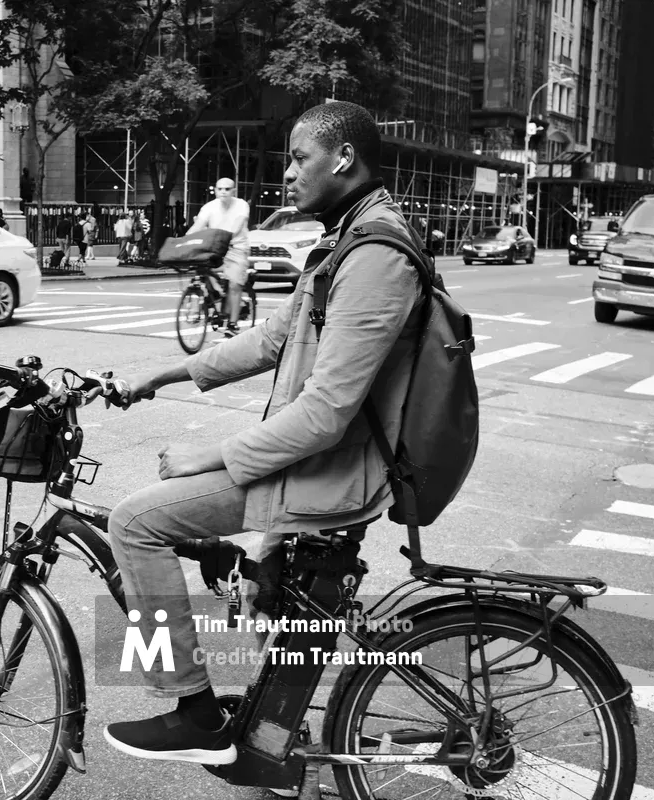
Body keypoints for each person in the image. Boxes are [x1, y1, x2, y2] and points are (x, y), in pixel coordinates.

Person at [101, 100, 425, 767]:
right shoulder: (345, 239)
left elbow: (326, 412)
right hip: (323, 462)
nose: (288, 174)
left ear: (343, 158)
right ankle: (269, 737)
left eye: (300, 157)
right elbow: (272, 340)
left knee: (136, 524)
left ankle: (193, 711)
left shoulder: (375, 254)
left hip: (332, 472)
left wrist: (207, 456)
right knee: (261, 588)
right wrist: (164, 374)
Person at [186, 178, 251, 338]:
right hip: (215, 248)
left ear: (233, 191)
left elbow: (238, 224)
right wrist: (186, 239)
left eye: (227, 189)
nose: (223, 191)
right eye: (220, 188)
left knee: (235, 285)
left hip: (236, 248)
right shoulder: (209, 207)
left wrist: (227, 237)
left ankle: (232, 324)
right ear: (215, 190)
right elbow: (199, 224)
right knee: (199, 272)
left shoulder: (241, 205)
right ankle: (212, 297)